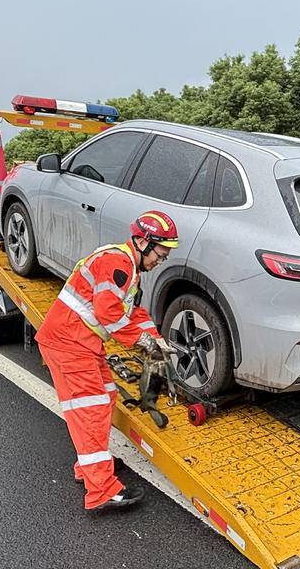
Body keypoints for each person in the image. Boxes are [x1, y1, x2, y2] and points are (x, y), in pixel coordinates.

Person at [35, 210, 178, 512]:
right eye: (159, 255)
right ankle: (101, 489)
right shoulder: (117, 263)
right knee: (91, 408)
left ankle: (90, 466)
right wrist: (145, 342)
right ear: (142, 242)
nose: (159, 262)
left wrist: (157, 338)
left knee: (106, 397)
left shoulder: (130, 268)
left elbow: (132, 312)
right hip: (68, 343)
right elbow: (109, 313)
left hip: (82, 343)